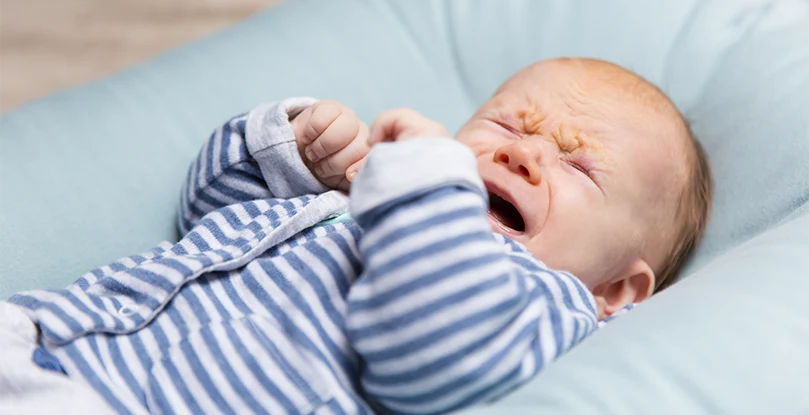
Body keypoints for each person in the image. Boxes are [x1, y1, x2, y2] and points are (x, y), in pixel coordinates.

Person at [5, 57, 712, 414]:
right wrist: (292, 154)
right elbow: (208, 213)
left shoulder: (540, 302)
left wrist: (428, 186)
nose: (523, 154)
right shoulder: (358, 197)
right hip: (44, 332)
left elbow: (426, 355)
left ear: (616, 286)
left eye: (580, 165)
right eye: (505, 125)